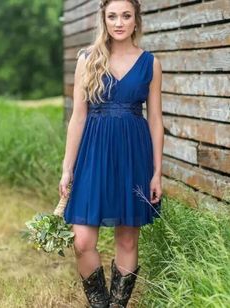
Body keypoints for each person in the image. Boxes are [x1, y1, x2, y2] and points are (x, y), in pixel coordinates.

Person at [59, 0, 164, 307]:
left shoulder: (150, 63)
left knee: (128, 238)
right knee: (82, 240)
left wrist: (156, 171)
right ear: (103, 19)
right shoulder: (88, 59)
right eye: (112, 16)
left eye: (126, 16)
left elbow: (156, 119)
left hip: (133, 154)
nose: (119, 22)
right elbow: (78, 117)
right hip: (92, 153)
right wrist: (67, 168)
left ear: (136, 20)